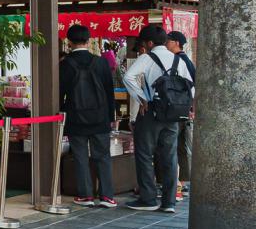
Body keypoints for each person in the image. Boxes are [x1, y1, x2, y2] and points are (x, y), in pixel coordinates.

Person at [122, 25, 193, 214]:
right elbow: (190, 87)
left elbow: (128, 77)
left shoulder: (147, 58)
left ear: (150, 43)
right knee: (169, 155)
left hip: (151, 112)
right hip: (173, 115)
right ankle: (169, 201)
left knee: (145, 154)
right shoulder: (178, 60)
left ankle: (149, 198)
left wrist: (141, 98)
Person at [60, 24, 117, 208]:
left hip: (76, 118)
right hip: (100, 117)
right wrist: (111, 115)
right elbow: (109, 91)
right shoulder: (101, 63)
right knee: (103, 156)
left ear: (69, 42)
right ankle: (107, 196)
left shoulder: (65, 64)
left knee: (80, 156)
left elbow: (60, 93)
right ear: (88, 40)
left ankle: (86, 195)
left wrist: (62, 114)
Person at [168, 31, 195, 200]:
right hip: (185, 108)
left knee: (175, 145)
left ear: (176, 42)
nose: (166, 44)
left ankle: (177, 182)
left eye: (168, 41)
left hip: (179, 108)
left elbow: (191, 86)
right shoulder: (187, 60)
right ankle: (183, 181)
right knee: (181, 146)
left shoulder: (181, 61)